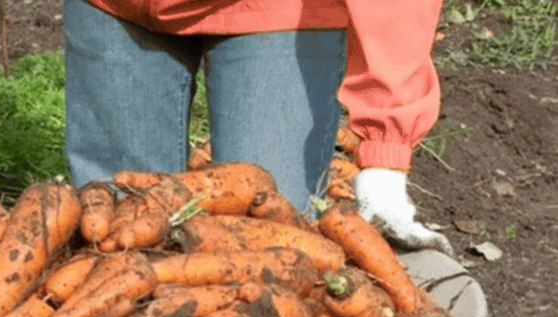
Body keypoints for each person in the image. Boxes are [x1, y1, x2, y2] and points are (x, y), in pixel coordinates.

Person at [63, 0, 455, 254]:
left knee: (275, 253)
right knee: (114, 239)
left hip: (282, 7)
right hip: (113, 7)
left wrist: (387, 149)